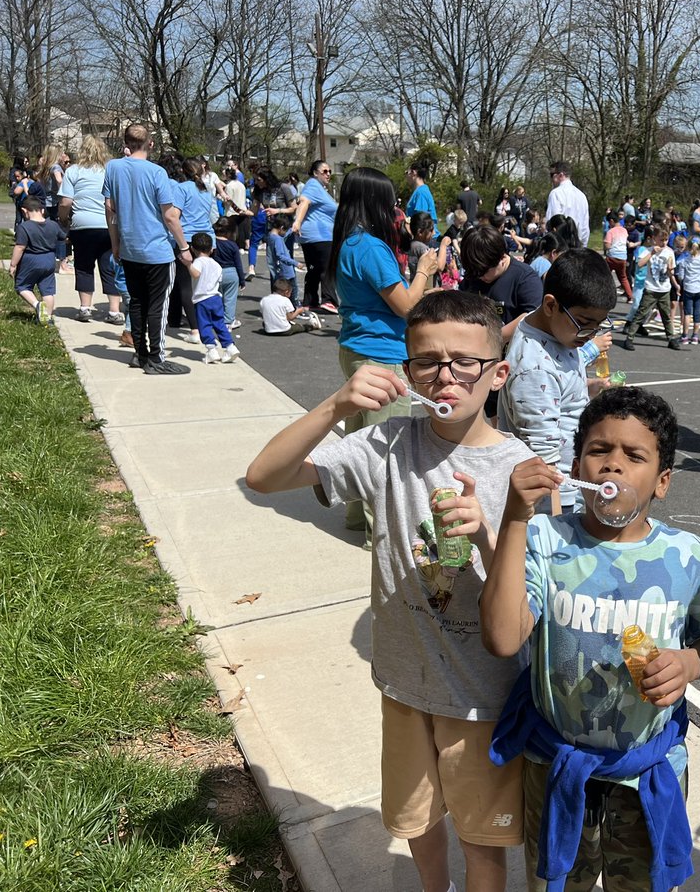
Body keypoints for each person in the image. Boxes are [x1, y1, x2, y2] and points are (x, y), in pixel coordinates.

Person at [246, 291, 533, 892]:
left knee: (484, 840)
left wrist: (487, 533)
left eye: (465, 362)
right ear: (407, 371)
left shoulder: (520, 470)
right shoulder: (386, 445)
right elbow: (264, 477)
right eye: (427, 361)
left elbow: (530, 600)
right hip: (404, 682)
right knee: (416, 822)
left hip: (485, 697)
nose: (445, 376)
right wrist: (334, 405)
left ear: (499, 373)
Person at [481, 385, 700, 891]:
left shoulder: (689, 556)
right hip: (556, 768)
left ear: (662, 482)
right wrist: (514, 516)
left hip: (644, 775)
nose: (612, 466)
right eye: (599, 451)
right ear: (576, 468)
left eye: (633, 456)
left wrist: (687, 664)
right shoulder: (545, 540)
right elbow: (503, 639)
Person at [331, 167, 425, 542]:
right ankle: (382, 534)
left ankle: (357, 515)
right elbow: (406, 307)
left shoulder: (349, 243)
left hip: (356, 348)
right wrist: (425, 271)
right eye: (390, 201)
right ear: (375, 202)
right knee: (385, 448)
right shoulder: (370, 246)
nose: (396, 208)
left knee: (359, 439)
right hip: (380, 354)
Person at [499, 248, 616, 514]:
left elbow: (554, 394)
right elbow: (543, 460)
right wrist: (556, 521)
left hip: (572, 484)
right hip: (557, 497)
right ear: (551, 305)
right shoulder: (534, 367)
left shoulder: (559, 332)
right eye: (585, 323)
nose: (590, 334)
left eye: (598, 325)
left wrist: (587, 388)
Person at [103, 123, 191, 375]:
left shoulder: (114, 167)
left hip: (129, 248)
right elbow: (170, 215)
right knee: (157, 306)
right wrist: (183, 247)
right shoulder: (157, 173)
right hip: (157, 250)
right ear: (150, 144)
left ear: (125, 142)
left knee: (137, 303)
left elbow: (109, 208)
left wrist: (115, 242)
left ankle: (140, 354)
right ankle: (156, 358)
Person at [59, 134, 121, 324]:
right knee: (109, 267)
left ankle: (85, 308)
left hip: (82, 224)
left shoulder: (74, 171)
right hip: (107, 224)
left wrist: (62, 219)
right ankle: (114, 311)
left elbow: (66, 201)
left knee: (84, 266)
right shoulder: (110, 171)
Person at [459, 223, 544, 344]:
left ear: (502, 258)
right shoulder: (475, 274)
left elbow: (533, 315)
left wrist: (492, 340)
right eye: (474, 272)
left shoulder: (525, 278)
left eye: (483, 272)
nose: (479, 277)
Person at [165, 156, 216, 344]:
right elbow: (212, 216)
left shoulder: (181, 188)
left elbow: (175, 215)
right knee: (204, 285)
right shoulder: (206, 190)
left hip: (186, 240)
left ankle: (196, 330)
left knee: (184, 286)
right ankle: (203, 322)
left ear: (182, 171)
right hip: (207, 238)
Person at [622, 225, 682, 352]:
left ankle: (671, 338)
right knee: (640, 314)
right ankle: (629, 338)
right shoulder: (648, 250)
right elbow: (639, 264)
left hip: (664, 289)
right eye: (661, 240)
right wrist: (652, 253)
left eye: (665, 240)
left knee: (666, 316)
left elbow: (670, 271)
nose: (664, 243)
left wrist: (675, 284)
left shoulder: (669, 251)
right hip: (650, 289)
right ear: (654, 239)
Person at [9, 196, 66, 324]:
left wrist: (13, 265)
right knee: (48, 290)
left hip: (31, 259)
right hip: (49, 259)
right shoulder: (53, 225)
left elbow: (20, 247)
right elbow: (63, 238)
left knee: (22, 286)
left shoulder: (24, 227)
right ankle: (48, 318)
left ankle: (37, 306)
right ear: (42, 210)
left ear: (24, 211)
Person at [185, 232, 239, 364]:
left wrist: (187, 264)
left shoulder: (198, 262)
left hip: (202, 299)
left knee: (204, 325)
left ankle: (211, 350)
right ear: (212, 249)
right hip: (215, 297)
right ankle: (230, 346)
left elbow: (196, 274)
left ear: (192, 248)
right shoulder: (216, 265)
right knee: (219, 324)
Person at [292, 161, 339, 313]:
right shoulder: (313, 185)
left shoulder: (319, 188)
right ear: (315, 173)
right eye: (324, 171)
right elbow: (304, 202)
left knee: (314, 269)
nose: (328, 174)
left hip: (312, 235)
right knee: (328, 267)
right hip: (320, 235)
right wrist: (297, 222)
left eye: (330, 171)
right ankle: (329, 300)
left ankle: (310, 301)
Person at [544, 161, 590, 246]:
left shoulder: (555, 193)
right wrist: (584, 245)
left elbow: (553, 220)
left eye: (552, 175)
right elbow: (585, 226)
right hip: (578, 243)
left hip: (562, 244)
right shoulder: (582, 195)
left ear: (560, 175)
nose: (551, 179)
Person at [212, 217, 246, 329]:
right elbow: (238, 264)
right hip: (231, 273)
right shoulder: (232, 245)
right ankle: (228, 321)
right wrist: (242, 280)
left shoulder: (212, 242)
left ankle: (215, 318)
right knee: (230, 299)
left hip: (215, 273)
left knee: (216, 297)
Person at [679, 236, 700, 344]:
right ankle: (695, 336)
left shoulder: (684, 261)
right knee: (697, 312)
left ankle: (684, 336)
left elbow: (681, 276)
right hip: (699, 288)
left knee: (687, 313)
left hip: (688, 288)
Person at [603, 210, 632, 302]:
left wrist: (606, 244)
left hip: (612, 257)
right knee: (623, 277)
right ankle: (630, 296)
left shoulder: (610, 232)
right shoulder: (624, 230)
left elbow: (607, 246)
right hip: (623, 257)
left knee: (606, 276)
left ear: (611, 221)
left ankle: (605, 295)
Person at [406, 163, 438, 231]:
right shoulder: (420, 191)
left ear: (414, 172)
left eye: (407, 172)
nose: (406, 176)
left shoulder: (421, 193)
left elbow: (422, 221)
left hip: (427, 238)